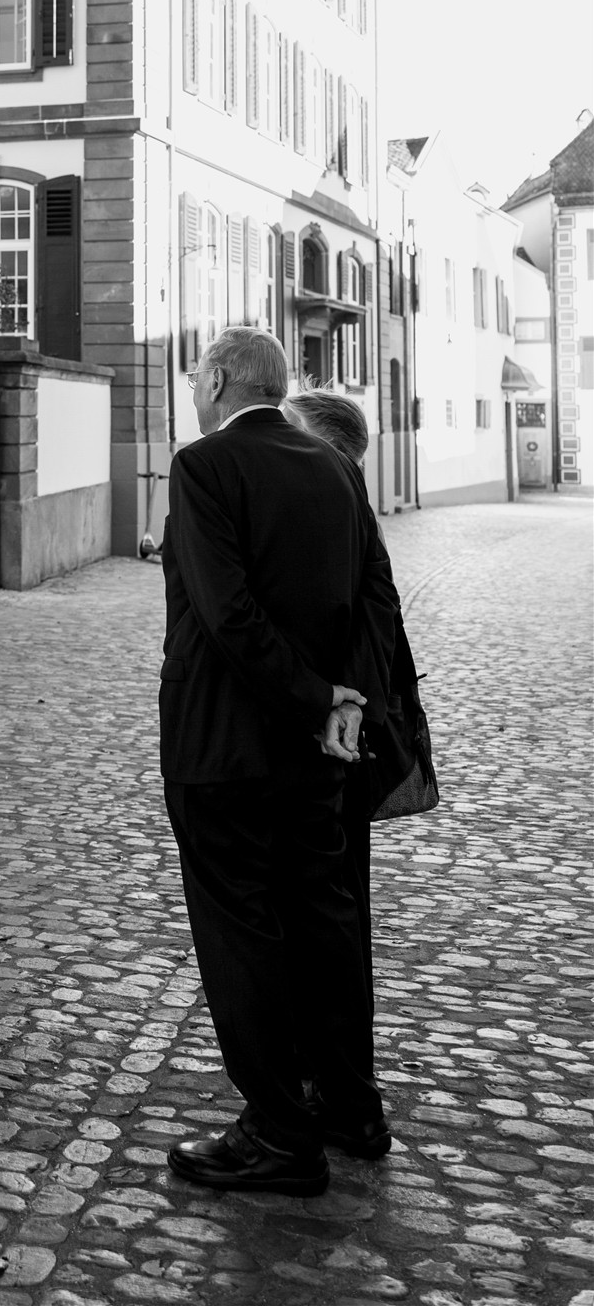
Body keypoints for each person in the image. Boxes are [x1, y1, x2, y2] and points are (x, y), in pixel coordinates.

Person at [159, 326, 400, 1195]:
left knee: (243, 931)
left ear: (219, 379)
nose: (194, 393)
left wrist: (310, 695)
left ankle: (276, 1131)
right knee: (322, 919)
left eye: (196, 379)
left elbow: (224, 616)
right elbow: (371, 598)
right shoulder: (334, 465)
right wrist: (342, 703)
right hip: (318, 748)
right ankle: (348, 1104)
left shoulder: (203, 466)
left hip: (223, 744)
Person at [283, 388, 423, 1019]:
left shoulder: (344, 509)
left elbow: (379, 616)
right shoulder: (331, 504)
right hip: (335, 726)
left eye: (290, 430)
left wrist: (348, 703)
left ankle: (329, 1059)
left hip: (336, 740)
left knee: (331, 905)